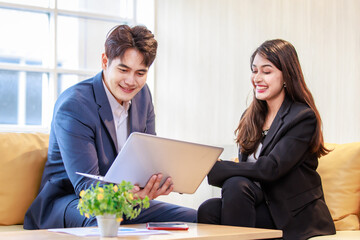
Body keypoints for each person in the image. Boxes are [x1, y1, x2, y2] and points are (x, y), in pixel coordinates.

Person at [24, 24, 196, 229]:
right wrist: (129, 195)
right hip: (70, 201)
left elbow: (148, 159)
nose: (131, 81)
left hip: (126, 201)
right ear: (105, 61)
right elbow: (86, 187)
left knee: (201, 217)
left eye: (140, 73)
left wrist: (153, 184)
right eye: (123, 70)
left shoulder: (143, 96)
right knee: (103, 221)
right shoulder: (74, 105)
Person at [197, 39, 336, 240]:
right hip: (260, 201)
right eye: (254, 70)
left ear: (286, 75)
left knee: (236, 184)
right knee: (208, 209)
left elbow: (272, 168)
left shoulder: (302, 117)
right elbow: (247, 173)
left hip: (292, 212)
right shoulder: (251, 116)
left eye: (267, 71)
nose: (257, 78)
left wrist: (219, 167)